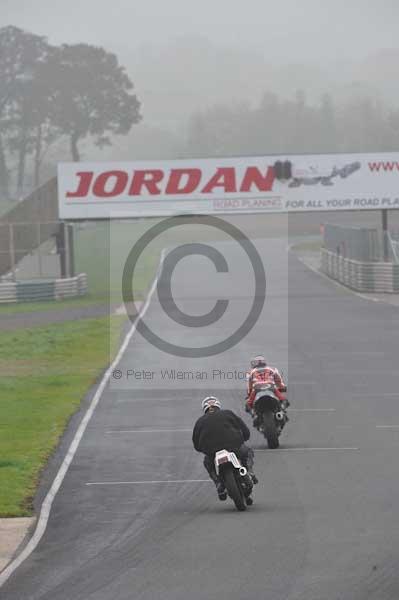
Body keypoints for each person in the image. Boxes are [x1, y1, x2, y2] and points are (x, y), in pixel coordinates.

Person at [192, 396, 257, 501]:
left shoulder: (200, 421)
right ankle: (250, 472)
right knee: (247, 452)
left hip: (212, 452)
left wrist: (204, 450)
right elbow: (243, 428)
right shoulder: (228, 413)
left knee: (208, 463)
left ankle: (218, 483)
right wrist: (244, 437)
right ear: (218, 405)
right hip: (233, 447)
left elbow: (196, 444)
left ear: (205, 408)